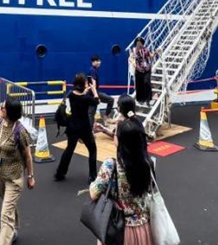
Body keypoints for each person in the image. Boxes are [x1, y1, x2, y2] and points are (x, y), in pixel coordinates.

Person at [90, 96, 155, 244]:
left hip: (118, 228)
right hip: (143, 227)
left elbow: (93, 193)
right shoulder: (148, 164)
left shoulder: (110, 165)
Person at [0, 98, 35, 245]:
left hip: (14, 179)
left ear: (10, 112)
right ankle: (12, 231)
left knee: (5, 214)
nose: (0, 108)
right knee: (8, 206)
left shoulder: (20, 132)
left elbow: (28, 156)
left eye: (3, 107)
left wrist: (30, 176)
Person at [54, 73, 99, 183]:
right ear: (84, 84)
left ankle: (60, 173)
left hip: (72, 126)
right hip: (84, 127)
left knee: (69, 149)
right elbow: (96, 101)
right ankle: (92, 176)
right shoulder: (86, 98)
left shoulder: (71, 94)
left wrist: (85, 90)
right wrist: (94, 90)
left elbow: (78, 96)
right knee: (92, 149)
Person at [87, 55, 115, 125]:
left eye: (99, 61)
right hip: (93, 94)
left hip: (93, 93)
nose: (99, 62)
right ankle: (90, 128)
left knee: (91, 113)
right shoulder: (93, 71)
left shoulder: (93, 70)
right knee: (91, 113)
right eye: (97, 61)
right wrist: (96, 96)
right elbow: (93, 85)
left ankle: (106, 117)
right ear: (93, 62)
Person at [130, 37, 154, 105]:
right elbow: (131, 58)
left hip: (147, 69)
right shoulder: (134, 51)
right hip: (138, 69)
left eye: (140, 43)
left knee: (146, 82)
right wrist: (133, 63)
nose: (139, 44)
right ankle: (140, 99)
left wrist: (155, 52)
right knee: (139, 85)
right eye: (137, 43)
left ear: (142, 43)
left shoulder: (146, 49)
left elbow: (151, 56)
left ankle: (148, 99)